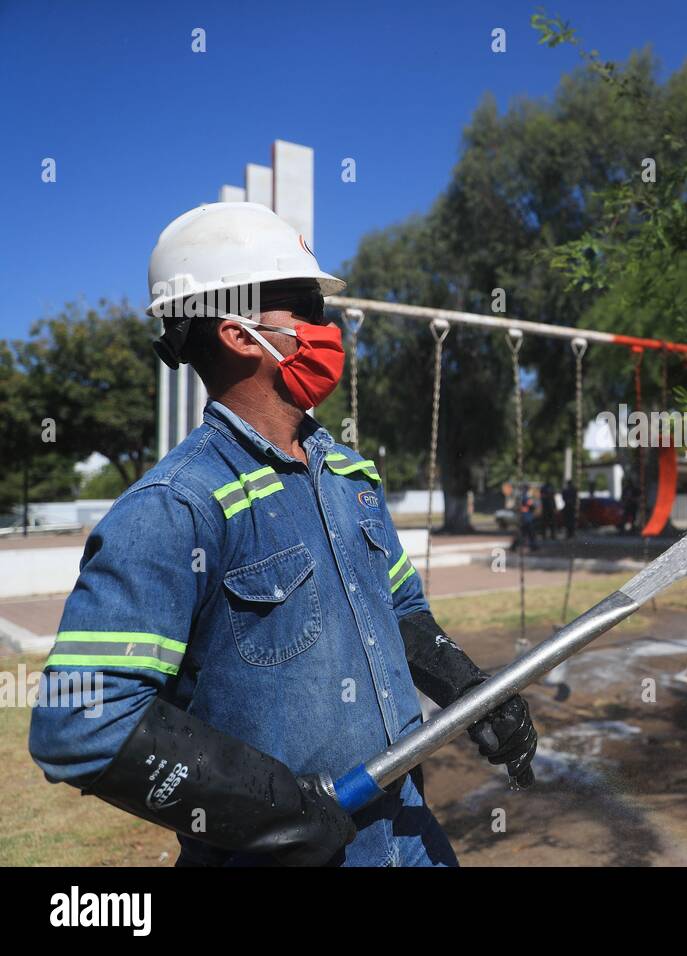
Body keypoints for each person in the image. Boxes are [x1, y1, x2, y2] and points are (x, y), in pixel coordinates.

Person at [27, 202, 537, 867]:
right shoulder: (178, 506)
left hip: (406, 831)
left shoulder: (346, 472)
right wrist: (268, 811)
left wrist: (472, 692)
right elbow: (82, 718)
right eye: (308, 308)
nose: (330, 329)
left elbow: (400, 610)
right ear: (240, 334)